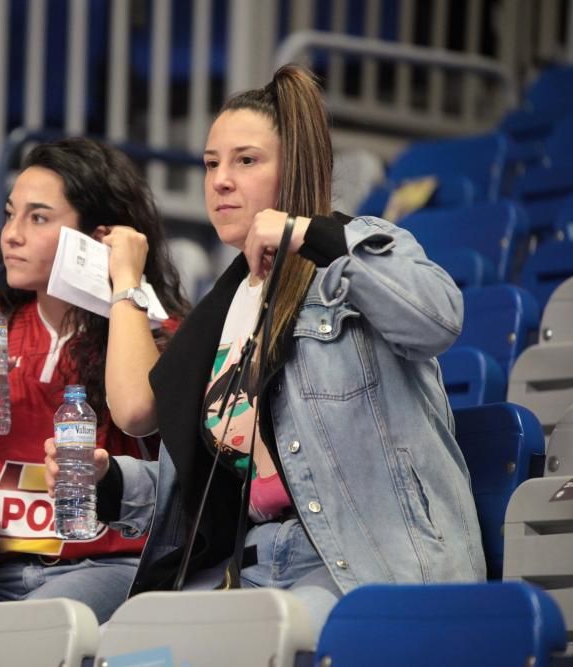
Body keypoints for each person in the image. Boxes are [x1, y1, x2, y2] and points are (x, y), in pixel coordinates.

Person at [44, 65, 485, 633]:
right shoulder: (224, 307)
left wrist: (312, 236)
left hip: (360, 563)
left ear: (293, 169)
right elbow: (219, 482)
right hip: (254, 564)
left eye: (245, 161)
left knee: (259, 642)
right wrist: (112, 483)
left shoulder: (355, 251)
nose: (220, 180)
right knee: (132, 648)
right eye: (210, 164)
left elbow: (437, 317)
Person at [0, 137, 189, 623]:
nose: (11, 235)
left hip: (106, 563)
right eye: (9, 214)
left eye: (38, 218)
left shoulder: (156, 332)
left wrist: (125, 286)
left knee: (23, 634)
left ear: (97, 238)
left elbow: (166, 449)